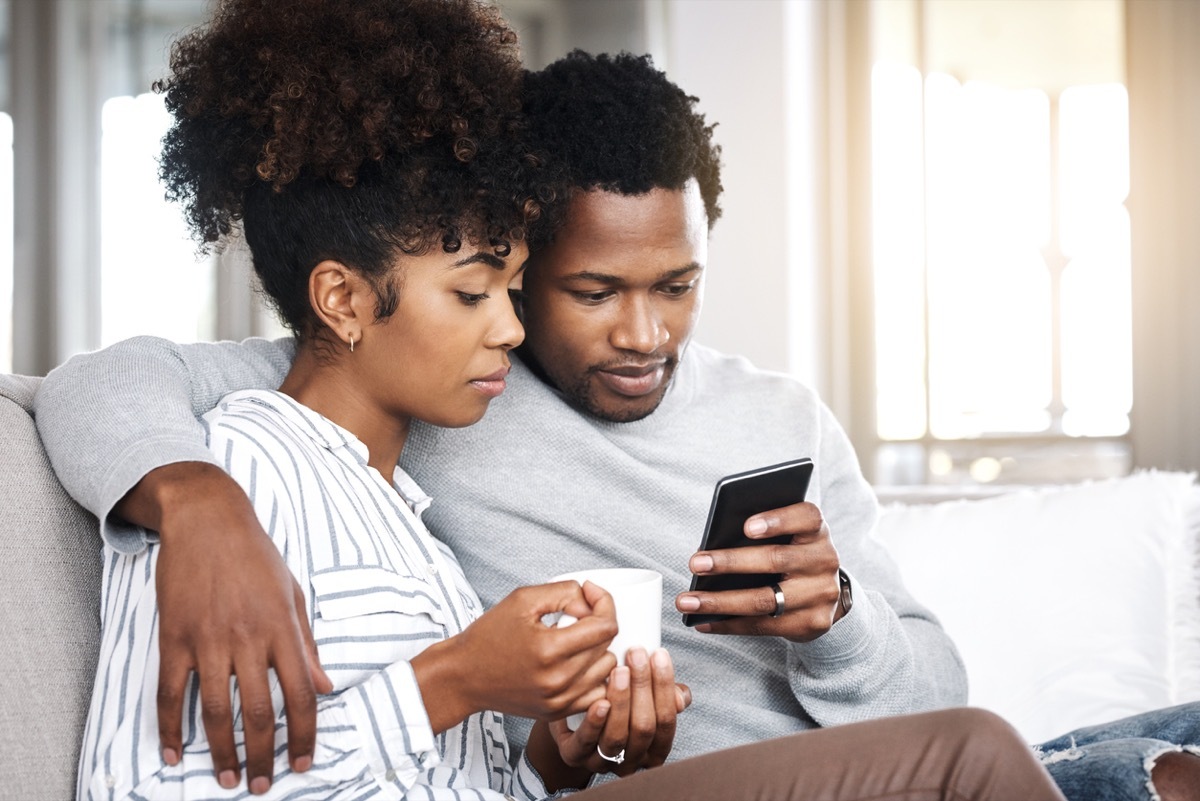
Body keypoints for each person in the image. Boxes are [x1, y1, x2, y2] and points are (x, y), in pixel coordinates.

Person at [34, 41, 1188, 800]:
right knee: (1000, 761)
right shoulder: (420, 383)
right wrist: (196, 504)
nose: (646, 335)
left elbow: (937, 690)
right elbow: (88, 385)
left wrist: (834, 620)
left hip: (857, 767)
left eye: (676, 286)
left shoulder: (775, 415)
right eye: (591, 294)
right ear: (523, 272)